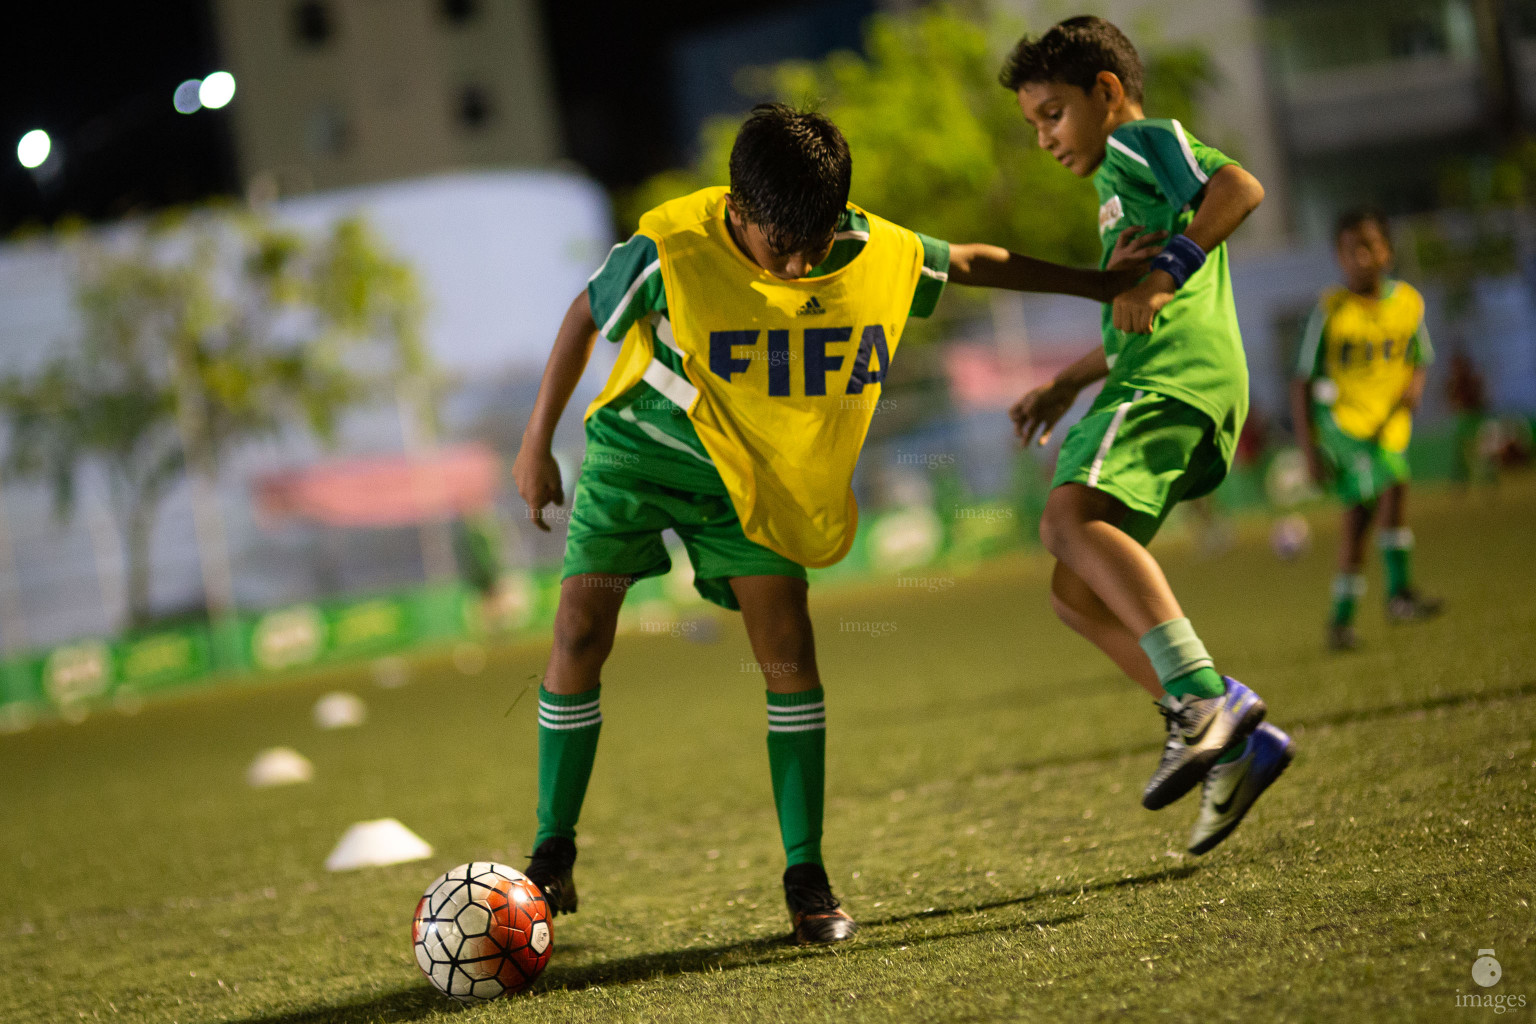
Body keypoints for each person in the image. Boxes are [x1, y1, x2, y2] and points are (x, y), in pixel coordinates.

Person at [512, 102, 1161, 943]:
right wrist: (536, 446)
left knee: (787, 651)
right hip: (638, 457)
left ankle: (806, 872)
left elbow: (966, 261)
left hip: (753, 480)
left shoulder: (864, 249)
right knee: (577, 631)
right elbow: (582, 315)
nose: (801, 262)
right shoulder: (670, 249)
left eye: (815, 242)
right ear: (737, 213)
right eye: (782, 247)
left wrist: (1102, 282)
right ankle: (549, 853)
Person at [1000, 16, 1292, 856]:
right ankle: (1236, 743)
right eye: (1033, 126)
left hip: (1176, 378)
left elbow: (1241, 186)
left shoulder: (1144, 141)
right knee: (1075, 593)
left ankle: (1207, 699)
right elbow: (1136, 313)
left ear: (1106, 93)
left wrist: (1166, 271)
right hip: (1155, 376)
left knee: (1066, 519)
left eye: (1052, 114)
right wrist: (1065, 379)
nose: (1045, 138)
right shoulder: (1119, 196)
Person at [1291, 207, 1442, 652]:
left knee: (1360, 519)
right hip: (1344, 424)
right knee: (1393, 485)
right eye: (1351, 248)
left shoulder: (1408, 302)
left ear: (1388, 252)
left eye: (1370, 245)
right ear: (1339, 258)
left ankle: (1341, 621)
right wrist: (1310, 451)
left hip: (1389, 425)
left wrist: (1414, 389)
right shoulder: (1331, 310)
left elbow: (1421, 356)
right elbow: (1301, 380)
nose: (1362, 255)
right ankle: (1399, 596)